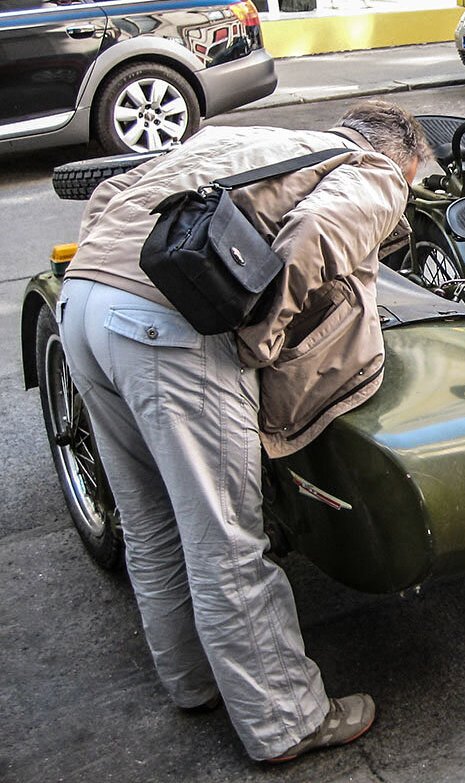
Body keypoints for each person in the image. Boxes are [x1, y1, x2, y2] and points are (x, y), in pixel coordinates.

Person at [57, 100, 430, 760]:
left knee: (151, 521)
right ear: (402, 160)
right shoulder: (372, 170)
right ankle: (286, 722)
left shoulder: (247, 137)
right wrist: (256, 341)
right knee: (225, 539)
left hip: (85, 301)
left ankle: (191, 681)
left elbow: (113, 193)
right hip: (168, 332)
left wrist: (107, 273)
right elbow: (315, 233)